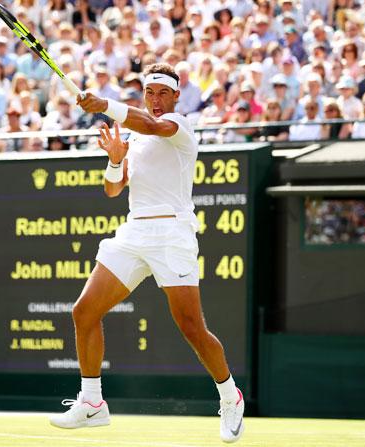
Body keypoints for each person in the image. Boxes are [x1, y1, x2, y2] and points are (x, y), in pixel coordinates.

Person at [50, 63, 245, 444]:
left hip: (173, 233)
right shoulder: (136, 137)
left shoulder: (179, 127)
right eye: (149, 93)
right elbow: (112, 190)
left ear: (175, 97)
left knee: (191, 327)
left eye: (162, 94)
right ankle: (92, 403)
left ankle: (229, 395)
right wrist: (116, 158)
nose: (155, 101)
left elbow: (153, 126)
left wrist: (105, 103)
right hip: (135, 231)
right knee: (84, 310)